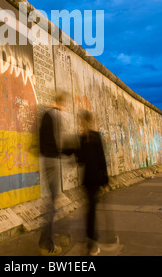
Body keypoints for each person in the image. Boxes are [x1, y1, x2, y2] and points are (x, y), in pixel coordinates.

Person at [63, 109, 109, 256]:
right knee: (92, 211)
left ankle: (91, 241)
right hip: (96, 179)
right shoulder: (95, 136)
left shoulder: (82, 138)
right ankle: (92, 243)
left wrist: (69, 151)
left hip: (87, 180)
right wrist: (105, 180)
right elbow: (102, 159)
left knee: (90, 210)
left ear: (82, 121)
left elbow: (80, 159)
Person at [38, 92, 66, 256]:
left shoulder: (45, 114)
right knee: (53, 203)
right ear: (60, 102)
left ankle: (47, 240)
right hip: (53, 160)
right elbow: (58, 140)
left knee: (52, 201)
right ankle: (46, 244)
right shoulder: (56, 115)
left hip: (45, 159)